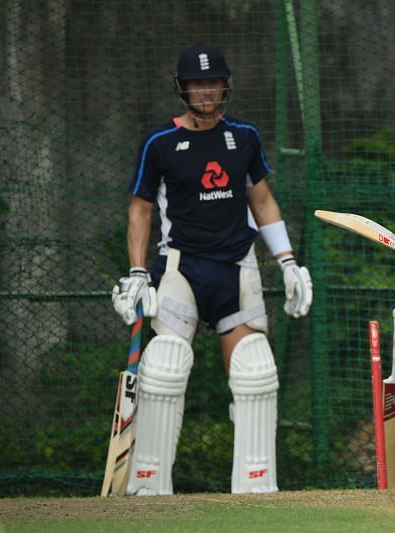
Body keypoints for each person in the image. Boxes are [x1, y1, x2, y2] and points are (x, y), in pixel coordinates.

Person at [110, 43, 312, 495]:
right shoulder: (159, 143)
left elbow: (261, 200)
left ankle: (255, 490)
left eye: (214, 81)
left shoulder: (244, 137)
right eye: (198, 82)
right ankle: (148, 485)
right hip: (181, 265)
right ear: (183, 88)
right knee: (163, 367)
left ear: (226, 85)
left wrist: (288, 262)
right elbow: (140, 210)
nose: (207, 90)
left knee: (255, 370)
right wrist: (139, 272)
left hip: (237, 267)